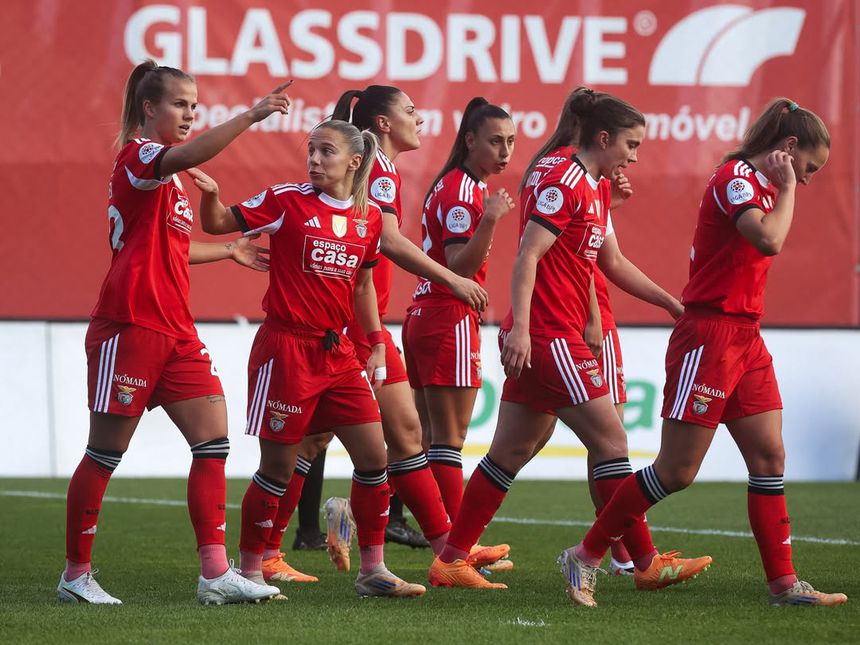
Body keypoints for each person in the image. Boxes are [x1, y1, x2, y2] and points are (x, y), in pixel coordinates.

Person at [428, 88, 711, 595]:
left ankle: (450, 558)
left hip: (548, 333)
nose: (634, 156)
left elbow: (610, 262)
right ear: (603, 137)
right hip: (552, 335)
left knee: (509, 452)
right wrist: (521, 328)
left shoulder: (590, 183)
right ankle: (641, 562)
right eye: (630, 144)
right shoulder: (565, 177)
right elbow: (528, 255)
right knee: (612, 444)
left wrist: (670, 302)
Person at [565, 98, 848, 607]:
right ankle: (584, 555)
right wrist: (787, 188)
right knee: (676, 471)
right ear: (788, 148)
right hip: (710, 338)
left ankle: (784, 585)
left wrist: (784, 188)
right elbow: (768, 240)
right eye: (809, 167)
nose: (806, 180)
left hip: (746, 336)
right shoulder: (736, 179)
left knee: (769, 457)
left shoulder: (759, 183)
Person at [57, 60, 289, 605]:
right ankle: (75, 576)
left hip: (176, 329)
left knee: (213, 441)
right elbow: (188, 155)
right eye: (181, 104)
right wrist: (251, 115)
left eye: (194, 106)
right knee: (105, 452)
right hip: (130, 323)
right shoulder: (140, 156)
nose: (190, 114)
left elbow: (173, 248)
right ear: (149, 108)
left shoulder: (169, 181)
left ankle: (214, 572)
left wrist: (228, 250)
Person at [257, 86, 497, 577]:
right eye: (409, 111)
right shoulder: (379, 169)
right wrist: (451, 278)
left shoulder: (379, 168)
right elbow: (385, 238)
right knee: (407, 436)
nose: (419, 118)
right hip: (350, 329)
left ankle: (277, 549)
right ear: (383, 124)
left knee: (317, 443)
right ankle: (450, 553)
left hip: (353, 325)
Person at [192, 119, 426, 598]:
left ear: (354, 161)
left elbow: (363, 285)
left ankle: (373, 571)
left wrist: (377, 342)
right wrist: (212, 197)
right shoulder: (286, 200)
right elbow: (216, 224)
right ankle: (251, 571)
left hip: (338, 352)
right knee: (278, 469)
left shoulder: (369, 218)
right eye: (312, 151)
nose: (315, 160)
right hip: (286, 350)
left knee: (374, 457)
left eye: (326, 152)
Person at [402, 97, 515, 543]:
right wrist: (490, 220)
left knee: (426, 440)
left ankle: (362, 511)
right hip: (447, 316)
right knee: (449, 439)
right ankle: (459, 547)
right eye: (495, 141)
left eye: (510, 141)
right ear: (470, 140)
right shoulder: (465, 192)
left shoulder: (453, 184)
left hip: (426, 314)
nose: (505, 151)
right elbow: (459, 267)